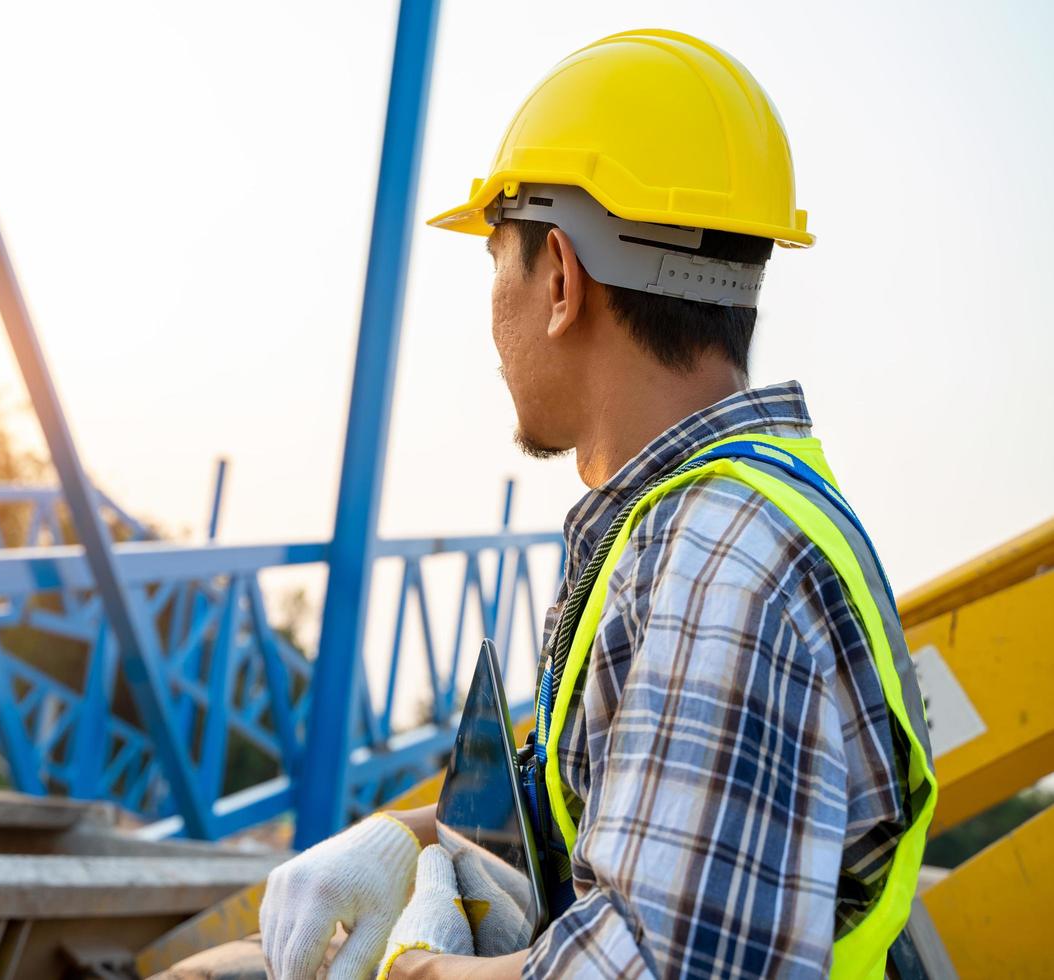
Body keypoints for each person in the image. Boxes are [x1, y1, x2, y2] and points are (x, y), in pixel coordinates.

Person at [258, 28, 937, 980]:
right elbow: (608, 814)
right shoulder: (682, 531)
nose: (492, 315)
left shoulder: (722, 562)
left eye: (498, 260)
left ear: (562, 281)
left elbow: (655, 967)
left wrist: (412, 969)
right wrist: (404, 838)